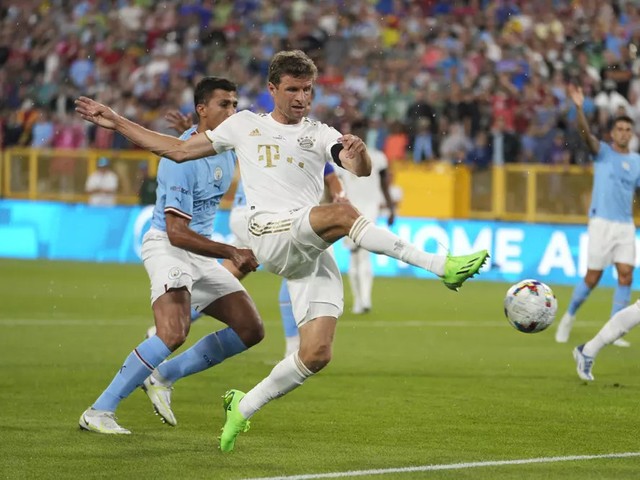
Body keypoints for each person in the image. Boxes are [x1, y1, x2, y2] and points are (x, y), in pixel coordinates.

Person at [75, 50, 488, 450]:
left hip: (304, 245)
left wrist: (359, 158)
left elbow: (352, 164)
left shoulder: (319, 132)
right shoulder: (243, 125)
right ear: (272, 88)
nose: (301, 99)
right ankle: (441, 266)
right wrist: (116, 121)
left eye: (308, 90)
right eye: (292, 89)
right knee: (343, 215)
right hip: (268, 231)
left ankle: (243, 406)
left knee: (316, 353)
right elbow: (179, 149)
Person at [79, 76, 264, 434]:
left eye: (234, 104)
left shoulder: (226, 147)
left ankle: (163, 374)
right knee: (173, 331)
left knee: (250, 329)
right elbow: (177, 232)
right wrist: (231, 251)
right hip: (169, 245)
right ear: (202, 109)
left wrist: (194, 132)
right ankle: (99, 411)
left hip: (199, 251)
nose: (232, 111)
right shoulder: (180, 161)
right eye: (224, 104)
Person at [555, 84, 640, 348]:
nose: (624, 133)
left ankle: (614, 330)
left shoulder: (637, 161)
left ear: (632, 133)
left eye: (628, 129)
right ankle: (568, 317)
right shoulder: (602, 152)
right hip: (602, 222)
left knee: (626, 274)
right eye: (620, 129)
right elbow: (584, 133)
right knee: (592, 278)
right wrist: (579, 108)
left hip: (625, 224)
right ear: (613, 133)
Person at [340, 119, 395, 314]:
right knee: (355, 257)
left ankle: (365, 300)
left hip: (370, 208)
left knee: (362, 253)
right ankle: (359, 300)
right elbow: (335, 186)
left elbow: (384, 184)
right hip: (349, 209)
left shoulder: (378, 157)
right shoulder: (341, 157)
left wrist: (390, 208)